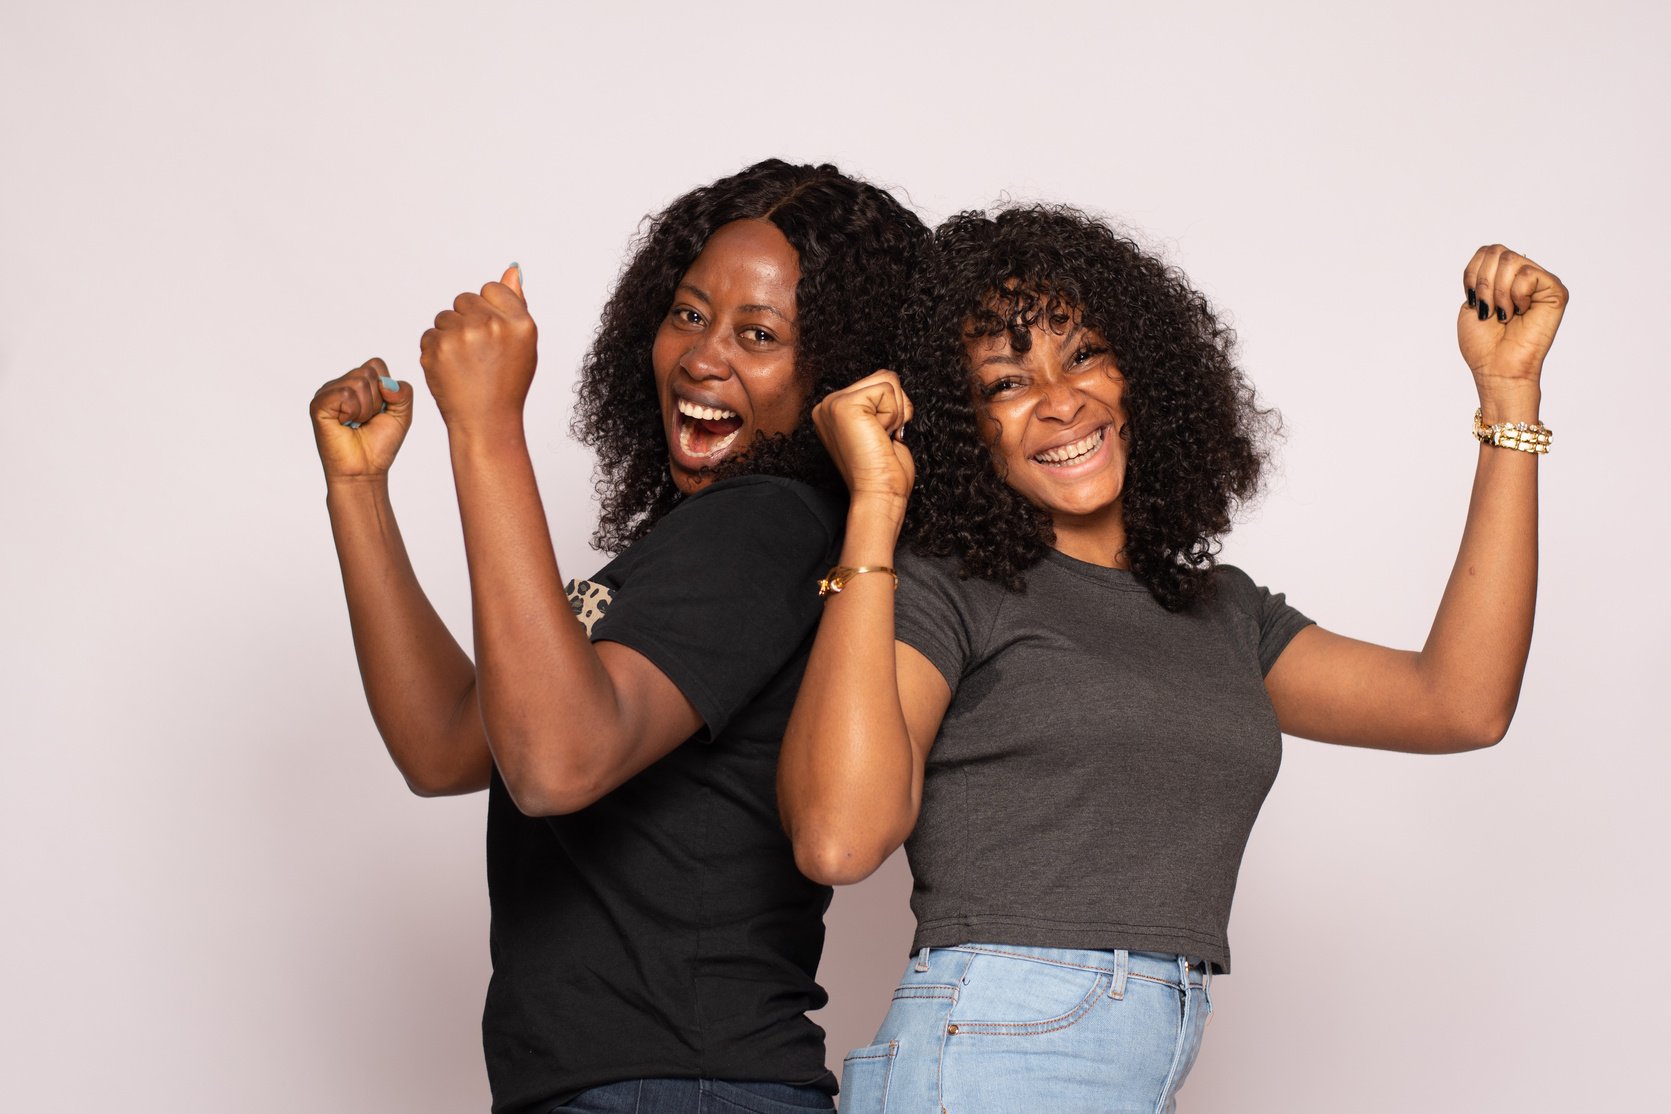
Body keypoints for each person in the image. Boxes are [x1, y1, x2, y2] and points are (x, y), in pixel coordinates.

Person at [778, 205, 1565, 1112]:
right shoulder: (946, 589)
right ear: (965, 428)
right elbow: (836, 838)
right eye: (1005, 383)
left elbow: (1459, 704)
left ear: (1139, 371)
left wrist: (1508, 400)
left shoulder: (1218, 610)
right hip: (993, 1047)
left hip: (1132, 1059)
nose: (1058, 400)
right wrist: (875, 502)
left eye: (1081, 355)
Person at [307, 160, 925, 1114]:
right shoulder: (693, 544)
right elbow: (444, 743)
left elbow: (557, 762)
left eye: (759, 336)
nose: (703, 358)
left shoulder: (768, 524)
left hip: (679, 1084)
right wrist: (359, 491)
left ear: (832, 371)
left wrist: (485, 425)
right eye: (688, 314)